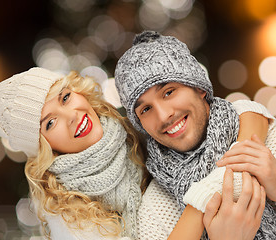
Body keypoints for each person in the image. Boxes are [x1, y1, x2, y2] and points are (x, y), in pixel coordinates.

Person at [0, 67, 266, 240]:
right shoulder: (68, 217)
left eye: (65, 97)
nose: (72, 116)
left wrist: (225, 173)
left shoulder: (126, 129)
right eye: (50, 123)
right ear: (42, 147)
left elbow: (238, 112)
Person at [114, 30, 276, 239]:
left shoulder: (268, 141)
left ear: (199, 88)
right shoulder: (154, 212)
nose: (164, 116)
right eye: (145, 110)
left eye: (169, 92)